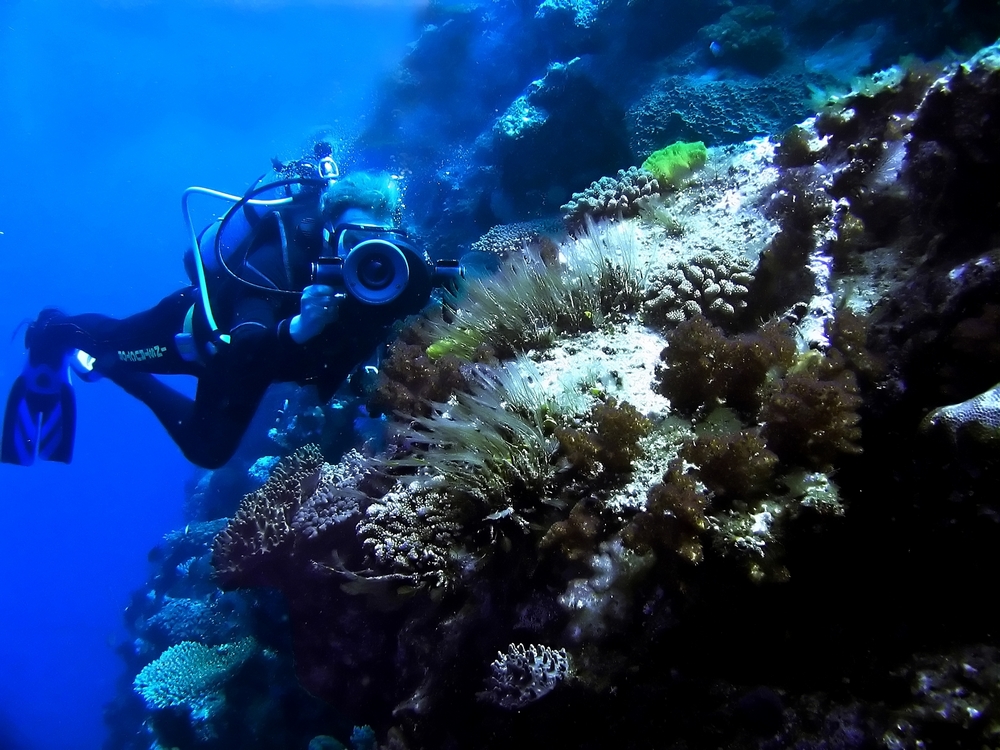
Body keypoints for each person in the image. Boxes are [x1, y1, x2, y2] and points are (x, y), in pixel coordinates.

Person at [2, 147, 461, 468]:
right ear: (327, 234)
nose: (366, 260)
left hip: (264, 366)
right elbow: (246, 341)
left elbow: (453, 291)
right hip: (199, 338)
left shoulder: (396, 271)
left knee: (210, 451)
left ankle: (92, 353)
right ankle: (58, 332)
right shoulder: (279, 261)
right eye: (350, 241)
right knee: (115, 343)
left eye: (376, 243)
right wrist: (298, 327)